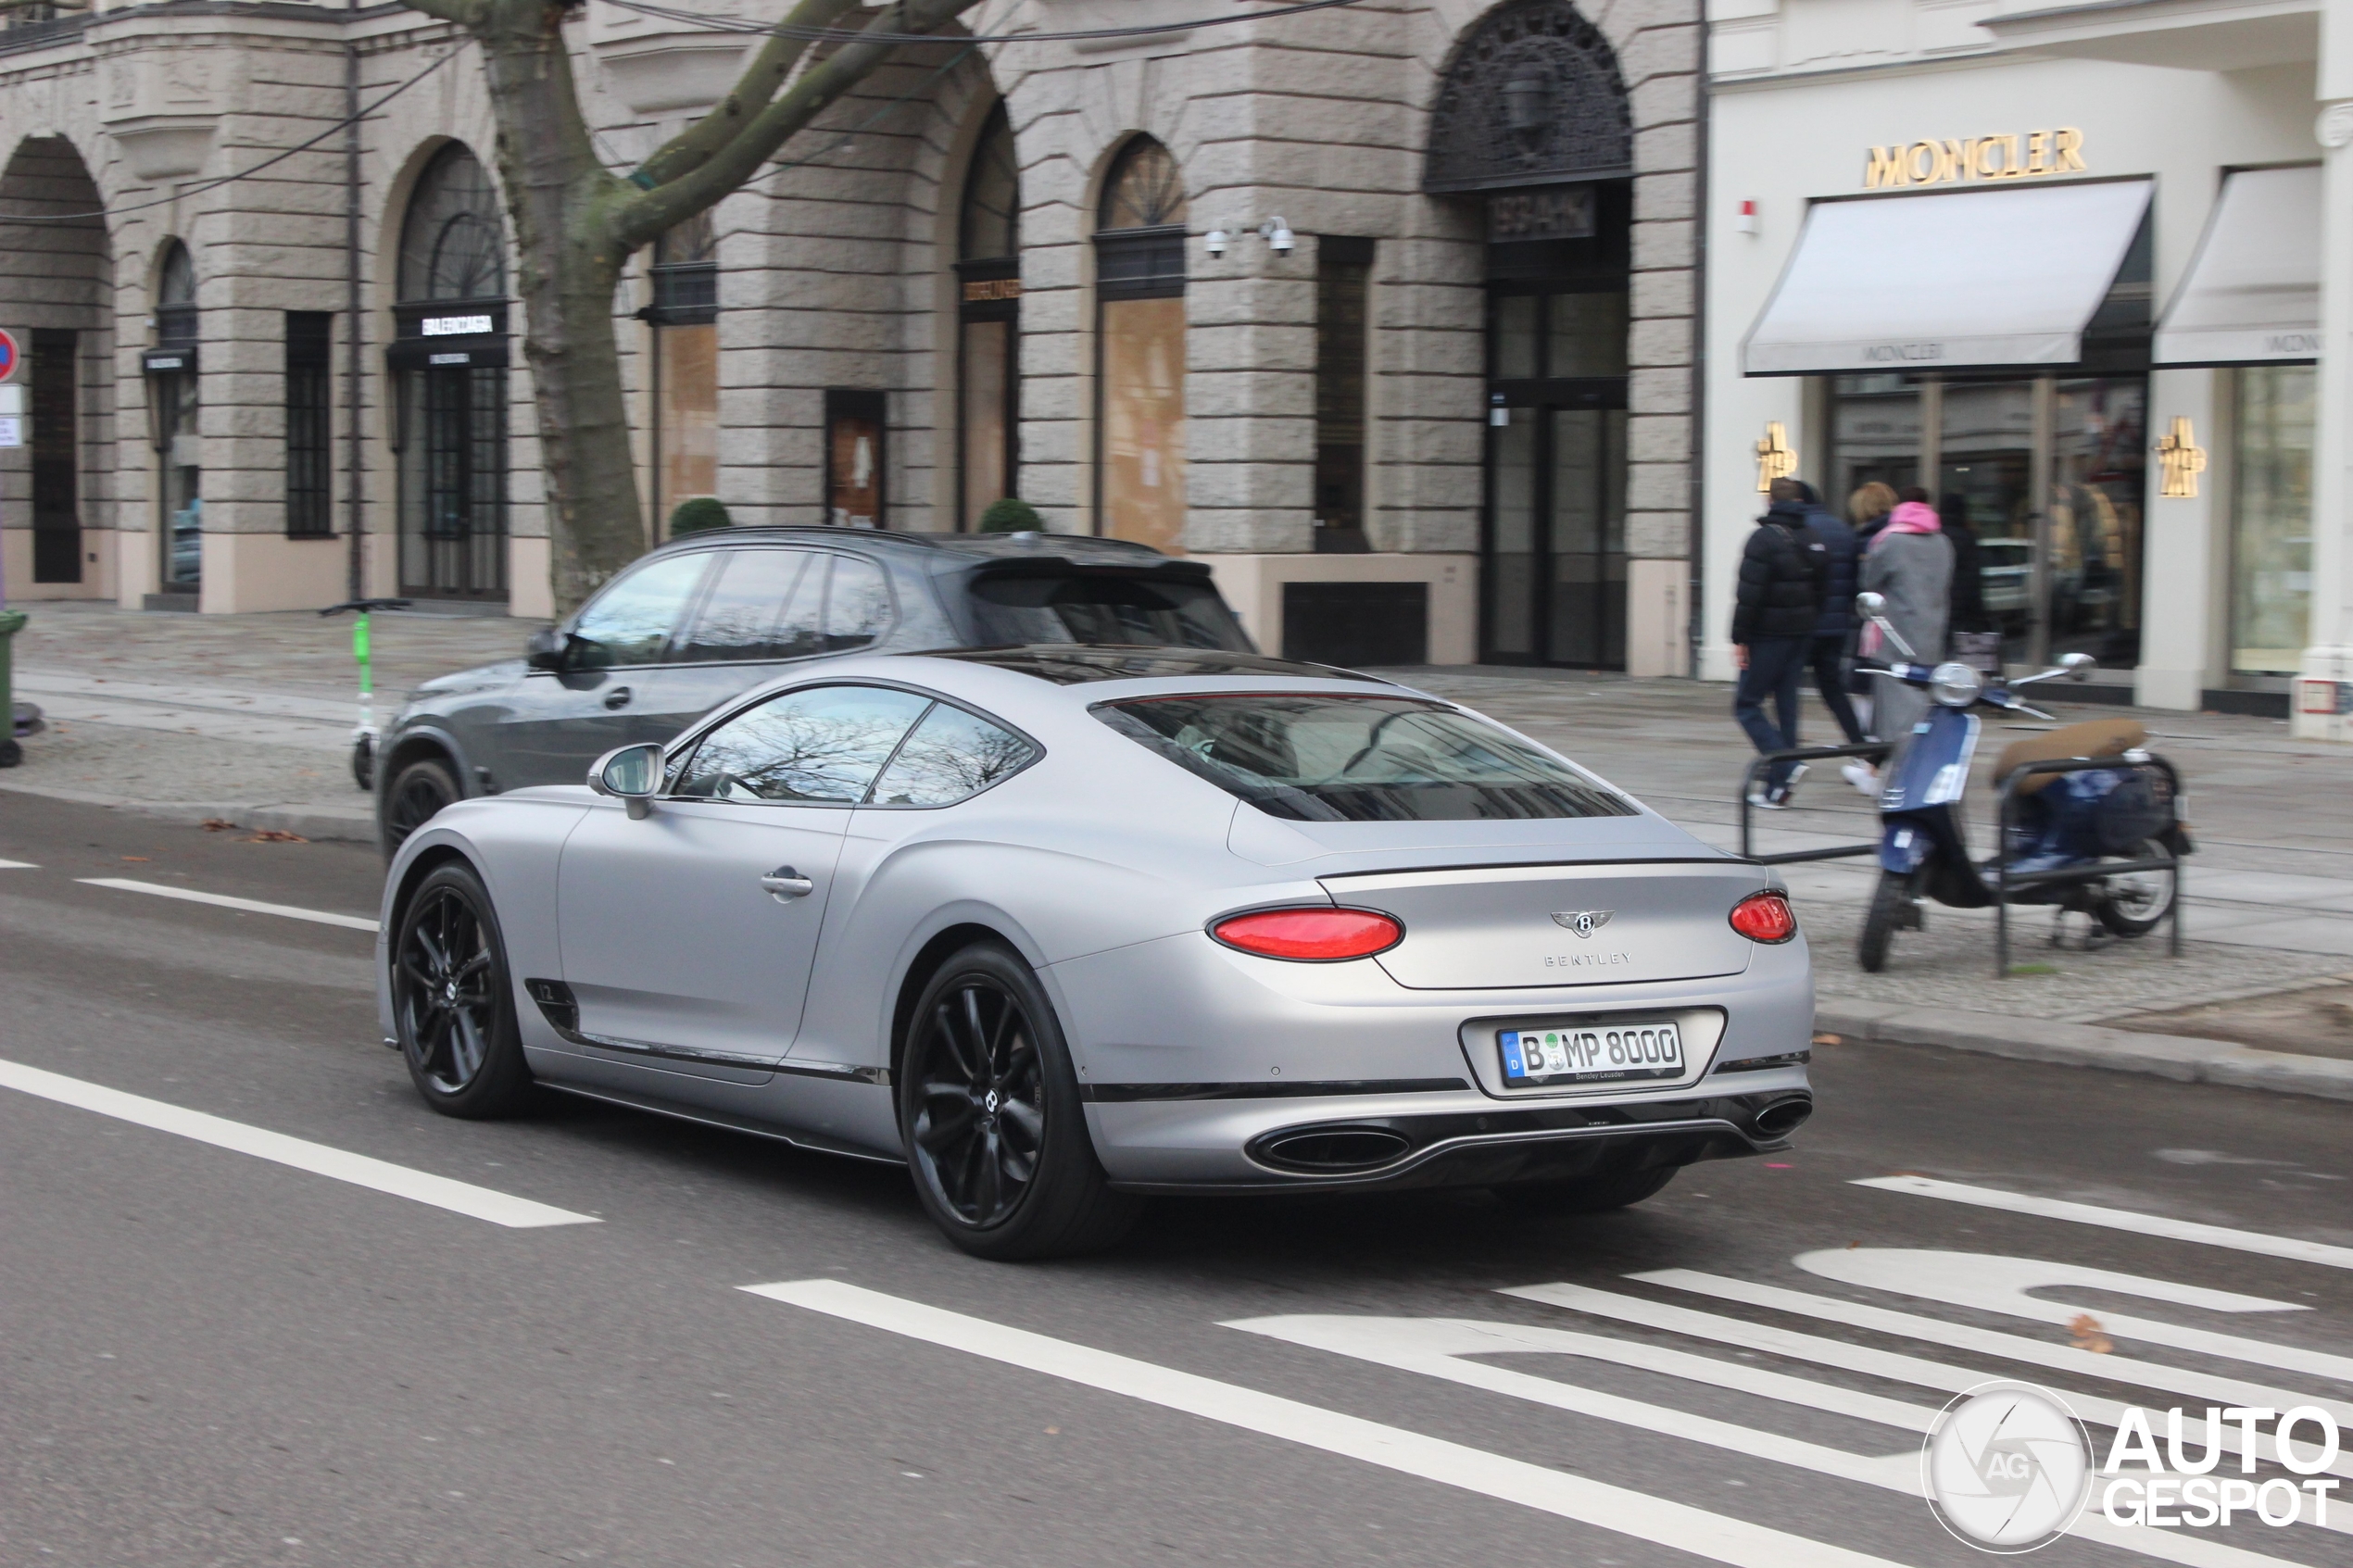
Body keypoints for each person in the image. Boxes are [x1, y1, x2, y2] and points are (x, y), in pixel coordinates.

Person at [1731, 477, 1830, 809]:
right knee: (1787, 707)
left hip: (1767, 635)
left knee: (1747, 704)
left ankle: (1786, 766)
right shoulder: (1814, 537)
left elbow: (1749, 595)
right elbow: (1823, 590)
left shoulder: (1763, 539)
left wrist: (1740, 638)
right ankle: (1779, 789)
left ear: (1769, 502)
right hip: (1800, 633)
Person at [1857, 485, 1954, 779]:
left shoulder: (1891, 541)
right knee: (1923, 689)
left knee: (1897, 692)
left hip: (1895, 627)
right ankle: (1881, 763)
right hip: (1933, 625)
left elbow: (1869, 580)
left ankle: (1903, 762)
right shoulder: (1943, 542)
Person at [1793, 481, 1865, 747]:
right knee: (1832, 687)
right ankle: (1859, 742)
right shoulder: (1844, 530)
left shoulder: (1797, 531)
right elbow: (1855, 582)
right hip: (1836, 626)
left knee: (1787, 686)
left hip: (1803, 624)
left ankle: (1786, 747)